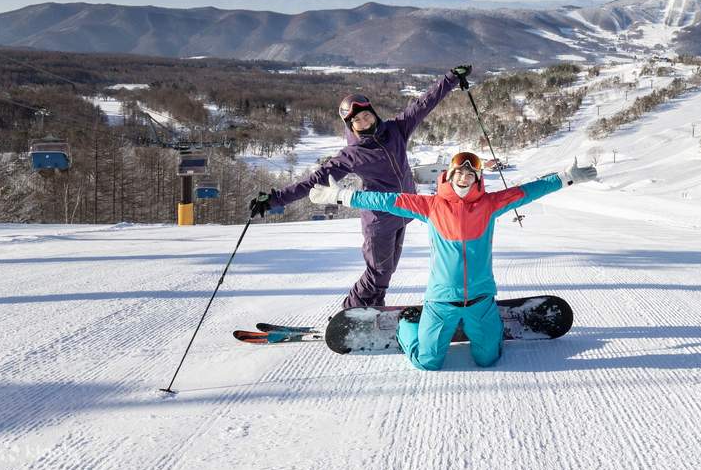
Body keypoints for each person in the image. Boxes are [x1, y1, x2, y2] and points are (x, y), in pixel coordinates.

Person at [310, 150, 597, 370]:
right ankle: (408, 326)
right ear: (449, 175)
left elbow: (527, 192)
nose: (464, 177)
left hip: (481, 299)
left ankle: (491, 327)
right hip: (441, 301)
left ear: (478, 179)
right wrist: (340, 195)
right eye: (459, 172)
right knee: (428, 362)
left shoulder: (489, 204)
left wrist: (566, 177)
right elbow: (384, 200)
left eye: (470, 174)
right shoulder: (431, 206)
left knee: (488, 359)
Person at [249, 65, 472, 309]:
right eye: (356, 120)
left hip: (403, 214)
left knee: (386, 272)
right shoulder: (352, 155)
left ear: (373, 113)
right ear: (350, 125)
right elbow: (314, 182)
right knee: (377, 273)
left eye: (366, 115)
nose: (364, 121)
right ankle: (350, 313)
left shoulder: (397, 129)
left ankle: (373, 309)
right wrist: (274, 199)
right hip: (380, 221)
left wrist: (451, 79)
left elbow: (424, 104)